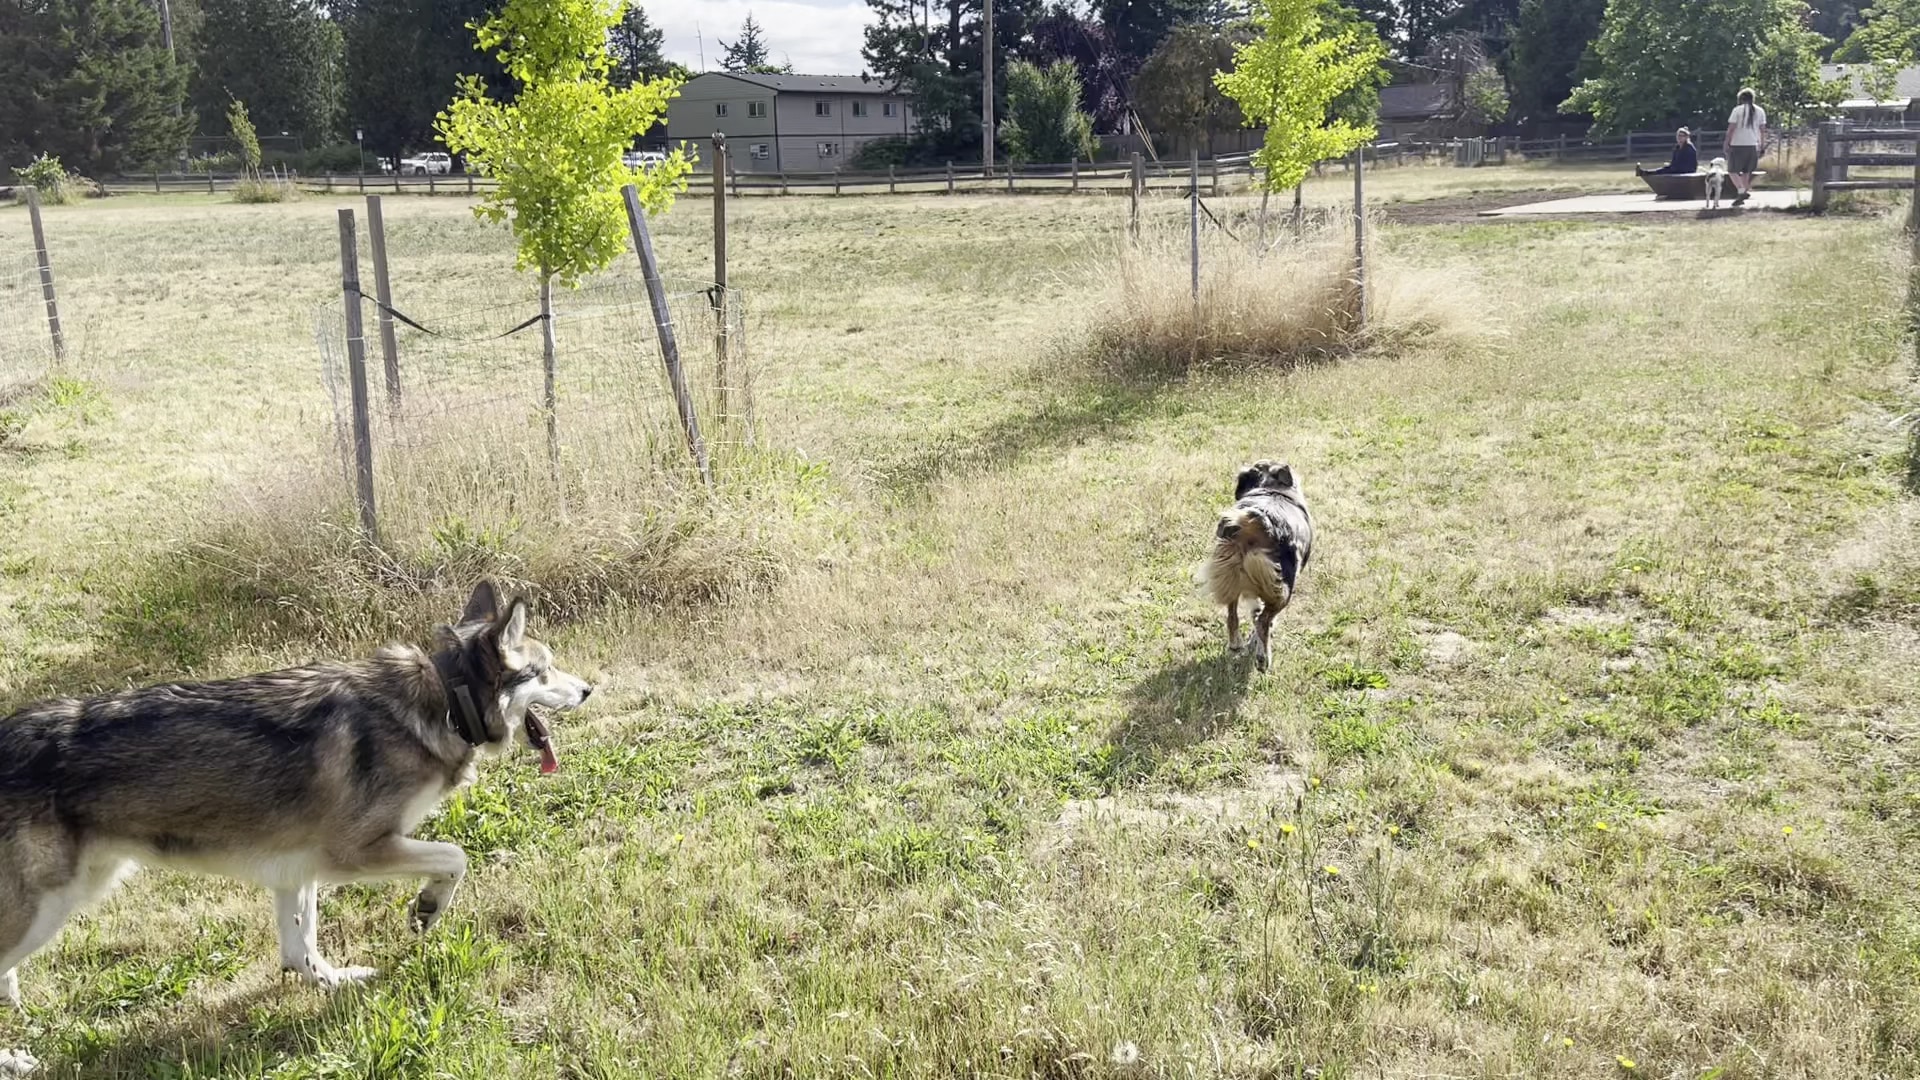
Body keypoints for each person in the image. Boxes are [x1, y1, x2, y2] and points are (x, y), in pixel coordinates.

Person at [1725, 87, 1766, 205]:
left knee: (1732, 171)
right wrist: (1762, 145)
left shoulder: (1737, 110)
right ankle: (1741, 194)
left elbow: (1731, 129)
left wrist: (1727, 142)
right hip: (1753, 144)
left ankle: (1741, 190)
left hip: (1738, 144)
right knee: (1746, 171)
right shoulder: (1760, 111)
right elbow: (1762, 130)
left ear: (1741, 99)